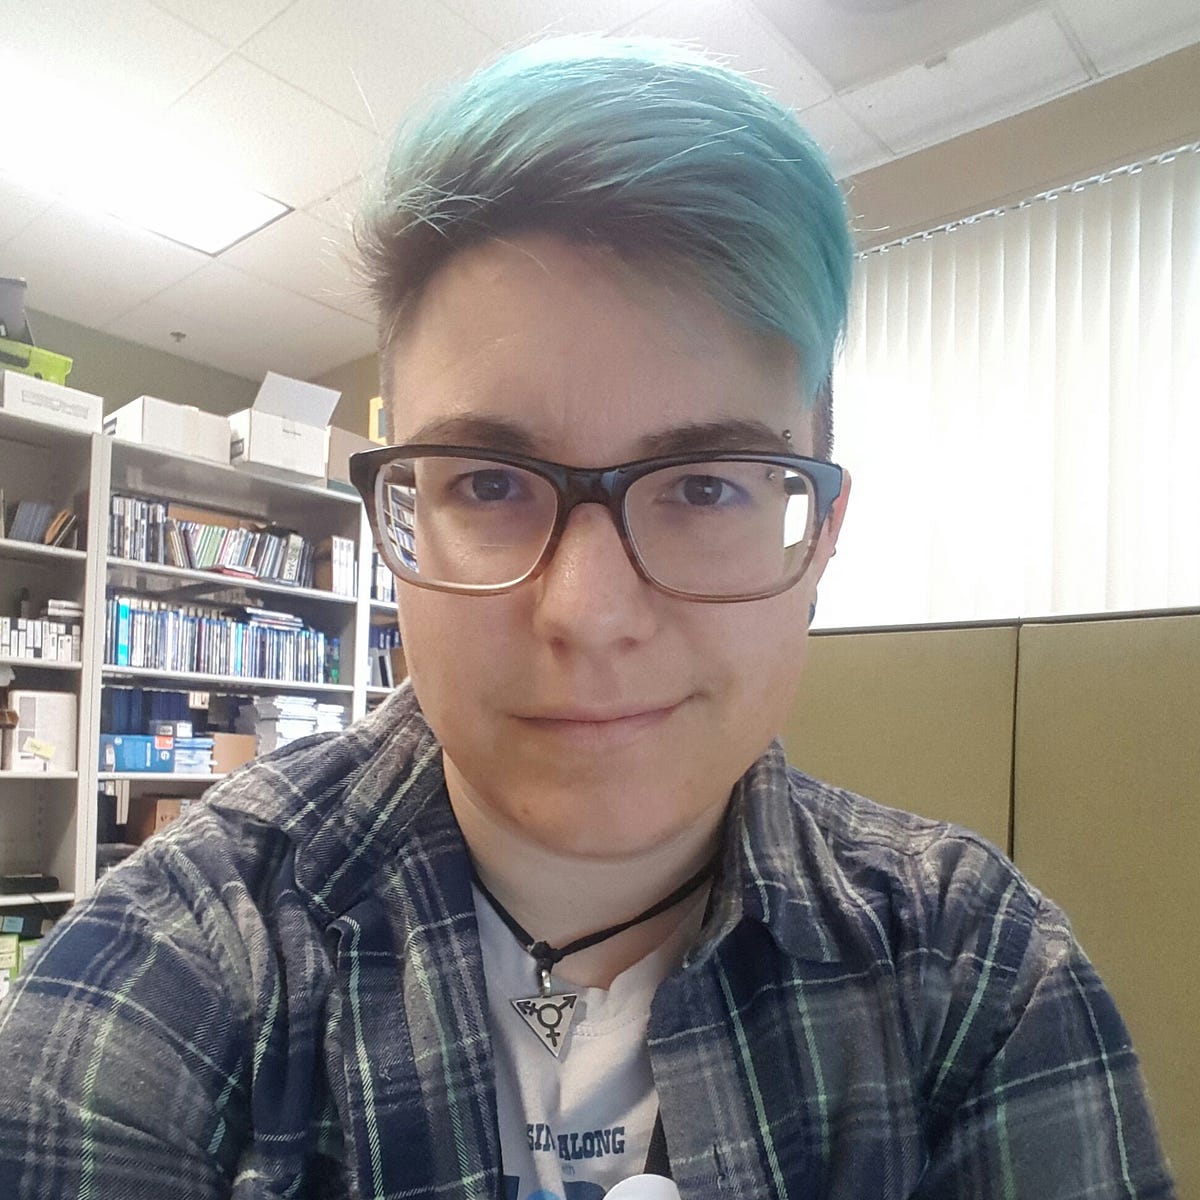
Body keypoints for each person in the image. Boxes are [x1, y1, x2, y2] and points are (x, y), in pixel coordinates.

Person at [0, 36, 1174, 1200]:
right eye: (490, 483)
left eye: (704, 487)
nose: (589, 614)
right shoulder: (170, 965)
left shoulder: (975, 973)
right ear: (402, 524)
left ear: (820, 536)